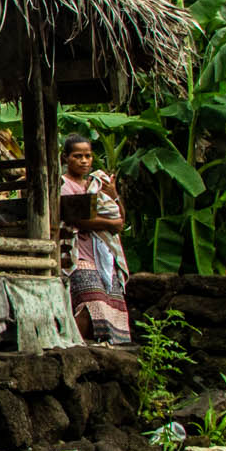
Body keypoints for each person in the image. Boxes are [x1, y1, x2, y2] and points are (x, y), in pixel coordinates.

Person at [59, 134, 130, 344]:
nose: (84, 161)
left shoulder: (97, 185)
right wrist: (109, 224)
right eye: (77, 156)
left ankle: (100, 347)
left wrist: (114, 195)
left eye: (88, 156)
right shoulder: (63, 185)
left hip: (102, 255)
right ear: (66, 158)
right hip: (77, 253)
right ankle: (75, 346)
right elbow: (76, 218)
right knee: (90, 300)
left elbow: (119, 218)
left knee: (111, 303)